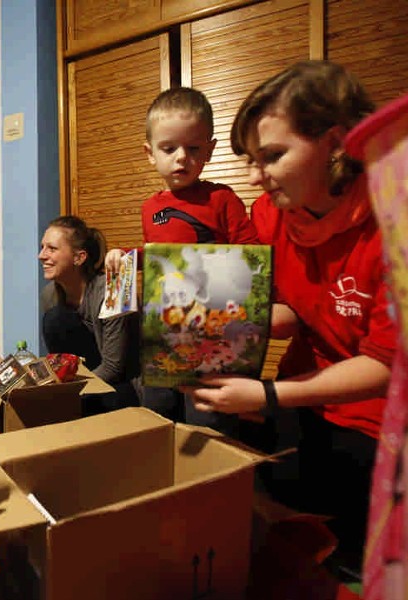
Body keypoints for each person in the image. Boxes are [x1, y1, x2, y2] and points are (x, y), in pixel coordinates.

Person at [188, 61, 397, 576]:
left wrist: (269, 394)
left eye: (273, 157)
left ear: (337, 143)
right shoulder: (270, 214)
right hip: (308, 394)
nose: (256, 177)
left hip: (382, 417)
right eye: (252, 160)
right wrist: (215, 330)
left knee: (294, 478)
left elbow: (388, 364)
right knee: (210, 439)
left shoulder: (397, 221)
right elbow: (290, 312)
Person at [105, 86, 260, 425]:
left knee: (206, 417)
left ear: (209, 150)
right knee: (159, 408)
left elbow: (252, 257)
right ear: (150, 153)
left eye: (193, 148)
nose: (181, 157)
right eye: (168, 148)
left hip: (213, 329)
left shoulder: (221, 199)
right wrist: (124, 256)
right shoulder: (150, 207)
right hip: (165, 328)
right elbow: (156, 256)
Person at [39, 216, 141, 415]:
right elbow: (60, 360)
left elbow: (114, 367)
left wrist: (69, 394)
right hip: (89, 377)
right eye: (42, 247)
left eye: (52, 249)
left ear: (79, 257)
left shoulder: (113, 291)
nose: (41, 255)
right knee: (55, 318)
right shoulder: (50, 294)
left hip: (123, 383)